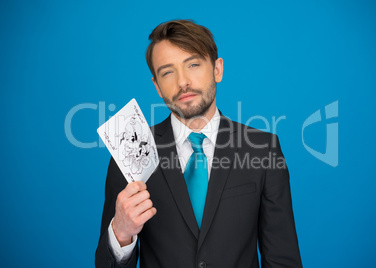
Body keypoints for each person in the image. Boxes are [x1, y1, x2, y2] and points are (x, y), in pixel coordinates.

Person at [95, 19, 303, 268]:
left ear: (217, 69)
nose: (183, 82)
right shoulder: (128, 155)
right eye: (168, 72)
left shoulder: (264, 150)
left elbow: (283, 259)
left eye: (193, 64)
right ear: (157, 86)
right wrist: (121, 234)